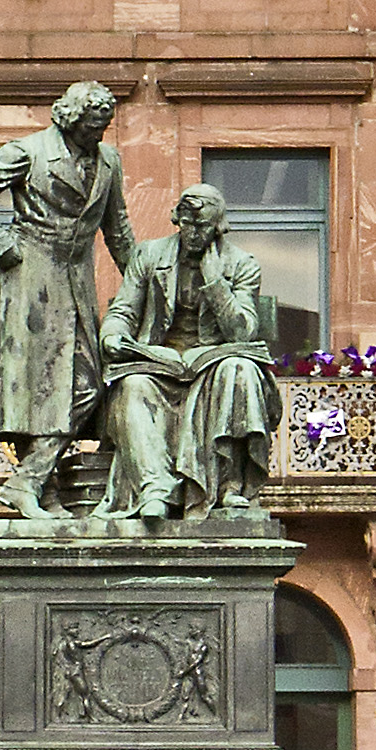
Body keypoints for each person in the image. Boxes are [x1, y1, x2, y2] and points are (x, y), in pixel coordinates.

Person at [0, 81, 135, 520]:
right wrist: (3, 245)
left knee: (88, 384)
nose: (99, 134)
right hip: (27, 280)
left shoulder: (108, 160)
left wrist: (143, 281)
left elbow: (118, 229)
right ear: (72, 119)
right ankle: (43, 489)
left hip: (75, 280)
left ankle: (28, 482)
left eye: (105, 127)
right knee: (29, 390)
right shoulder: (28, 152)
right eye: (93, 126)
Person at [95, 186, 284, 518]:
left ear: (218, 227)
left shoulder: (241, 264)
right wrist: (113, 336)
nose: (194, 234)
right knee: (131, 386)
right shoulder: (149, 256)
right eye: (188, 224)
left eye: (204, 227)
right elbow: (124, 311)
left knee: (239, 369)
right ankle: (154, 490)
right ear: (177, 220)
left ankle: (228, 485)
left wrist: (215, 285)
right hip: (159, 367)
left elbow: (243, 331)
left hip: (213, 368)